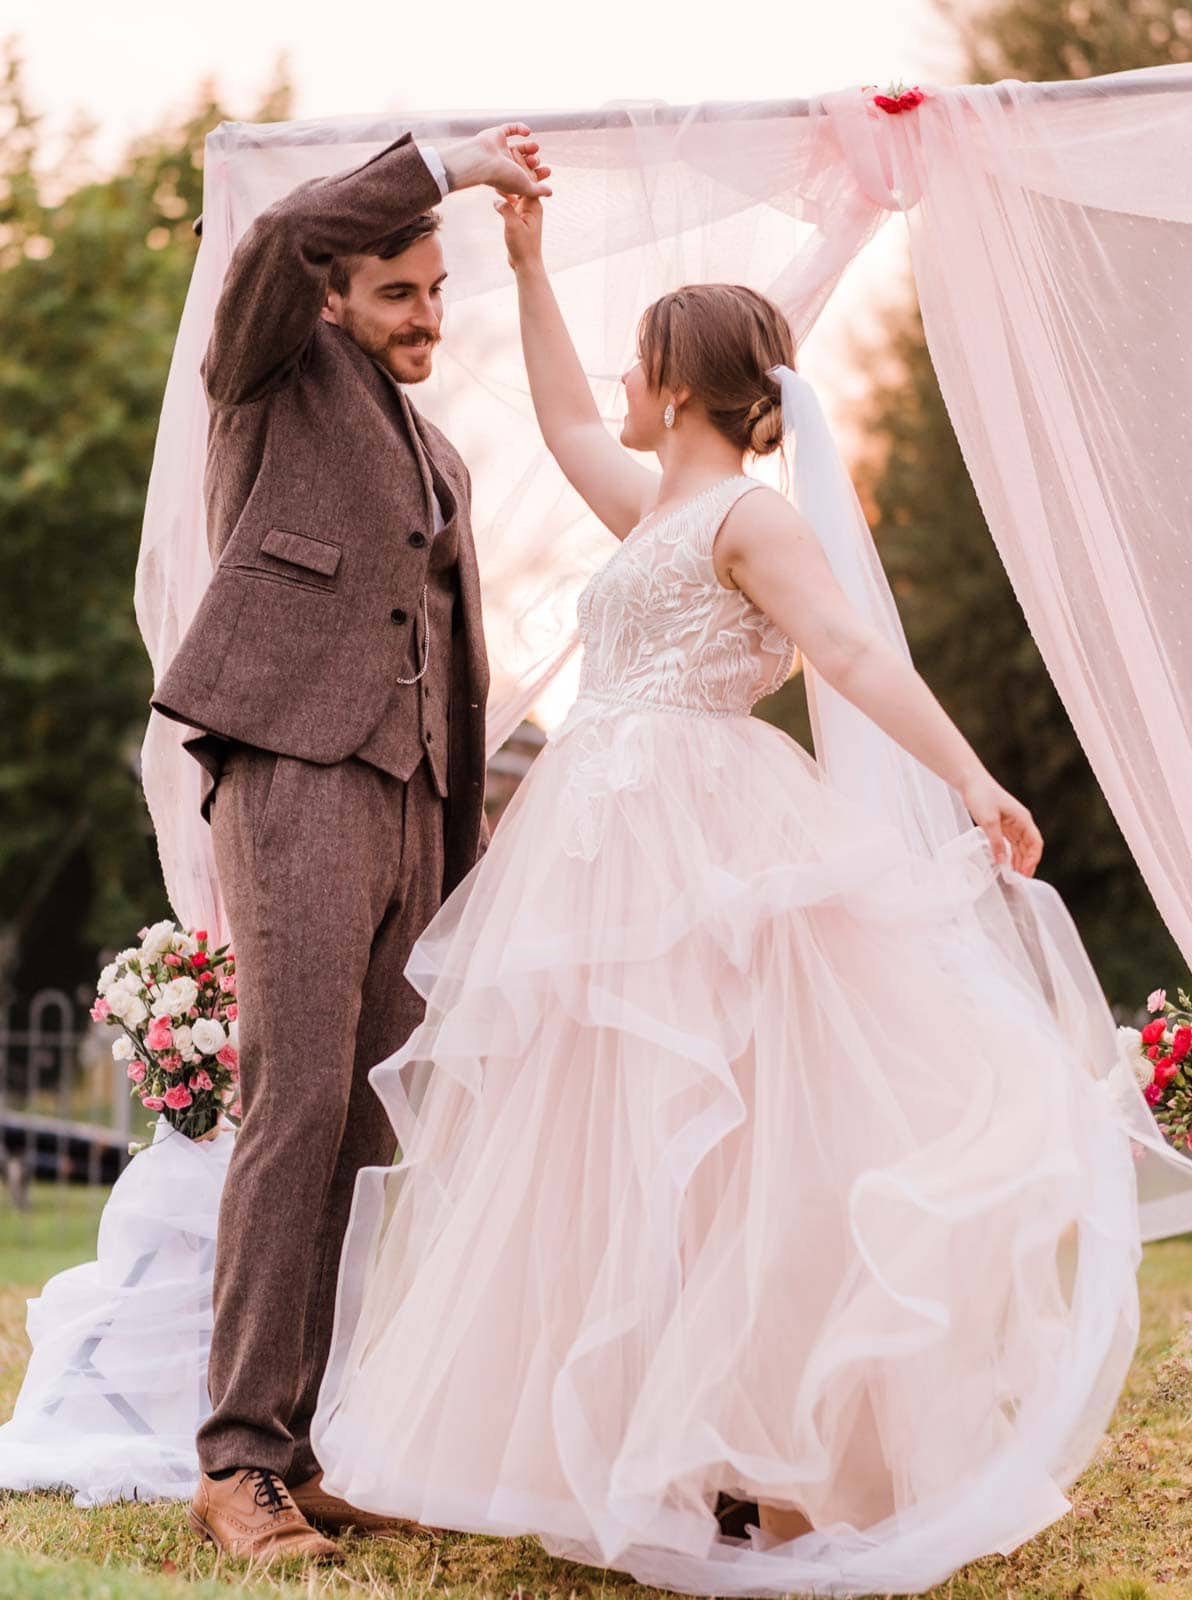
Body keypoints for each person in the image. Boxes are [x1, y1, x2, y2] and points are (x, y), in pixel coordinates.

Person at [308, 186, 1142, 1594]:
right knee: (620, 1146)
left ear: (685, 383)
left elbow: (857, 660)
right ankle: (660, 1446)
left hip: (704, 845)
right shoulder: (654, 509)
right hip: (603, 850)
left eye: (642, 363)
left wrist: (971, 777)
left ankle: (776, 1455)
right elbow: (573, 423)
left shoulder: (752, 525)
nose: (620, 387)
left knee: (736, 1145)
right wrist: (526, 261)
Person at [149, 123, 551, 1564]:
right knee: (299, 1101)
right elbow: (274, 238)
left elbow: (450, 652)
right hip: (298, 777)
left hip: (412, 806)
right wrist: (444, 158)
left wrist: (461, 838)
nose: (427, 314)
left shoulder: (435, 448)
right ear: (335, 294)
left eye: (438, 291)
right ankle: (234, 1459)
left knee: (370, 1126)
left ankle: (300, 1449)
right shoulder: (268, 366)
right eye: (399, 291)